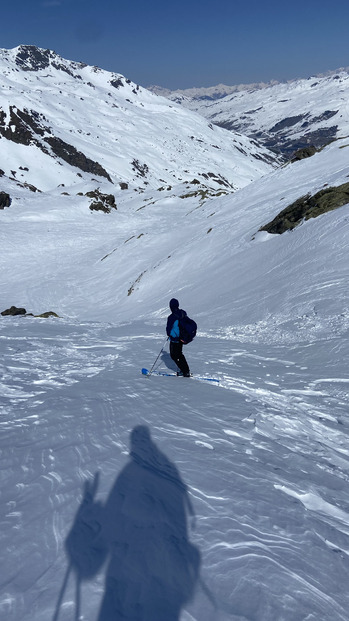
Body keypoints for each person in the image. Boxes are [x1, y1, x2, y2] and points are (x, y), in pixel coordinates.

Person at [166, 298, 191, 377]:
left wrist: (170, 334)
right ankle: (185, 370)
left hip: (174, 339)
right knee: (179, 354)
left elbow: (168, 329)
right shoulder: (183, 313)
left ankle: (185, 371)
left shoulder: (171, 317)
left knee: (174, 355)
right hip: (182, 338)